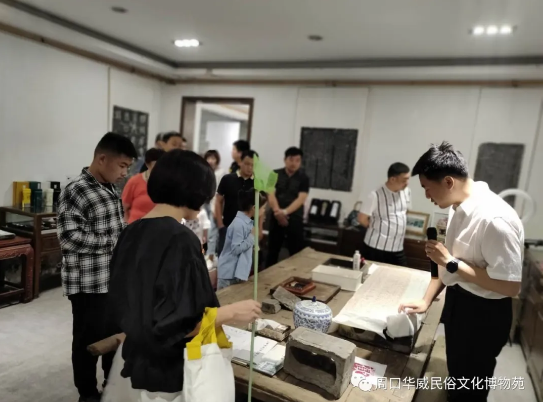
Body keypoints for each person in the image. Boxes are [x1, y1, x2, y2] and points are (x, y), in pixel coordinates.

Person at [103, 150, 261, 402]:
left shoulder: (130, 232)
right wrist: (233, 312)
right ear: (194, 190)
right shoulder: (180, 238)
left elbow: (138, 303)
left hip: (134, 360)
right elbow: (181, 325)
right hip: (170, 371)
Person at [399, 142, 523, 402]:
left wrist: (451, 262)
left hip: (484, 315)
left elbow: (510, 287)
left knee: (471, 385)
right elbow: (450, 268)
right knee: (457, 371)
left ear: (448, 182)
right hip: (459, 303)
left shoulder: (495, 219)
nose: (427, 196)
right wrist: (426, 300)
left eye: (426, 188)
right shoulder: (457, 206)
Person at [57, 132, 137, 402]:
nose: (125, 173)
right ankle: (88, 394)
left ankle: (110, 387)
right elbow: (69, 237)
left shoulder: (110, 188)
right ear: (102, 159)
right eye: (122, 165)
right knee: (87, 343)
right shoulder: (76, 190)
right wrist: (114, 242)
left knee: (113, 338)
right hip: (88, 284)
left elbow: (114, 228)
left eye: (128, 167)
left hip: (112, 281)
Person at [357, 162, 411, 266]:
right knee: (371, 274)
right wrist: (379, 228)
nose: (407, 183)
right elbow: (361, 219)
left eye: (408, 179)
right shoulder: (375, 195)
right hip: (376, 247)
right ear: (392, 179)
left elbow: (404, 212)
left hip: (397, 247)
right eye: (404, 180)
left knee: (400, 273)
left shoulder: (407, 192)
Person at [266, 147, 310, 267]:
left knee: (295, 253)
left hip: (294, 218)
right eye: (291, 159)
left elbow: (301, 199)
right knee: (272, 251)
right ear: (285, 159)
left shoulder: (304, 178)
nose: (294, 163)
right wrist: (277, 212)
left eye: (297, 160)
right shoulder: (274, 174)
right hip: (276, 217)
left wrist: (284, 212)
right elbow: (270, 194)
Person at [217, 189, 268, 290]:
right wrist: (251, 237)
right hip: (229, 275)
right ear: (254, 208)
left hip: (236, 274)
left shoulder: (247, 223)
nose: (264, 211)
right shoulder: (239, 224)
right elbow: (236, 249)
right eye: (263, 208)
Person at [215, 150, 257, 256]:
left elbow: (260, 208)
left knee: (244, 261)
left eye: (253, 165)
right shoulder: (227, 179)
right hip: (228, 226)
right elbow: (218, 201)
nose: (250, 167)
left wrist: (258, 228)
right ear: (240, 162)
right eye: (247, 164)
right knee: (224, 258)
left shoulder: (258, 183)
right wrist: (220, 224)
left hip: (248, 230)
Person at [122, 148, 165, 223]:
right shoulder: (135, 181)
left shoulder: (168, 183)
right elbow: (123, 208)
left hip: (160, 226)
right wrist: (127, 226)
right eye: (156, 165)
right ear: (148, 164)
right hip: (135, 226)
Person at [204, 150, 226, 259]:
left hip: (214, 205)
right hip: (205, 204)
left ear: (217, 160)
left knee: (212, 232)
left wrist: (215, 209)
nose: (210, 161)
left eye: (213, 158)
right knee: (205, 231)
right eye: (208, 158)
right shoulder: (205, 171)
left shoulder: (221, 173)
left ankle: (211, 256)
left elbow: (219, 194)